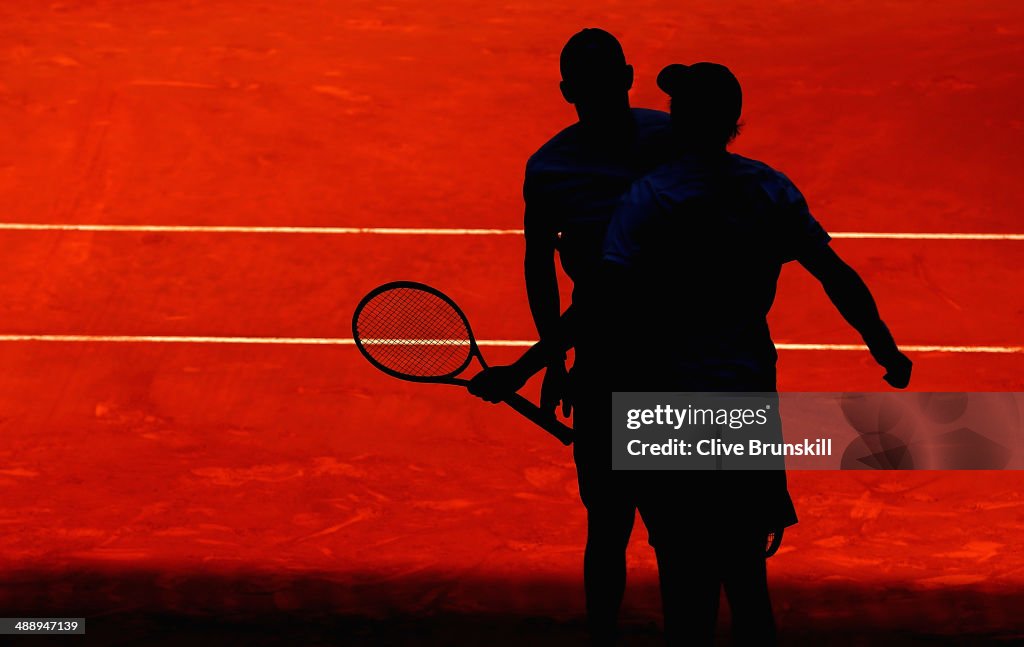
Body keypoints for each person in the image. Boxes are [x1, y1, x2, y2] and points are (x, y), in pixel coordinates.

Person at [598, 62, 912, 645]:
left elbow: (607, 305)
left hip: (667, 408)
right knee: (747, 581)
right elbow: (834, 275)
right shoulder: (769, 189)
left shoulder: (649, 196)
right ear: (732, 123)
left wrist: (548, 369)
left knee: (684, 586)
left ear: (677, 120)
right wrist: (885, 349)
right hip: (744, 401)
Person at [467, 28, 673, 644]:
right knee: (615, 526)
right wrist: (558, 356)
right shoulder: (552, 167)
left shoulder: (671, 144)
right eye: (592, 83)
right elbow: (538, 263)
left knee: (665, 527)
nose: (600, 93)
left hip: (672, 360)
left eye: (604, 81)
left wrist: (534, 364)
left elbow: (594, 280)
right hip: (612, 361)